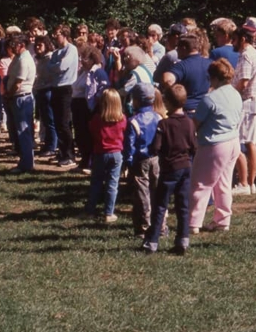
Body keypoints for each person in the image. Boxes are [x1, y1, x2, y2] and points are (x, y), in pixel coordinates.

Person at [189, 59, 242, 232]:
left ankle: (193, 223)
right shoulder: (235, 93)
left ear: (214, 78)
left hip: (214, 145)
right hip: (233, 142)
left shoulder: (209, 99)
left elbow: (194, 124)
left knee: (201, 184)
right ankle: (222, 221)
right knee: (224, 184)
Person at [143, 84, 197, 254]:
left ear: (167, 103)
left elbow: (156, 147)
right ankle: (183, 240)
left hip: (169, 169)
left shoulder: (163, 124)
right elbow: (194, 147)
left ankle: (152, 241)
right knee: (183, 206)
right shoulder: (189, 123)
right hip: (186, 167)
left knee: (160, 205)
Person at [124, 83, 161, 238]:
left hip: (140, 161)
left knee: (141, 194)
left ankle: (143, 227)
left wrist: (128, 162)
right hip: (156, 159)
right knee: (157, 192)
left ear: (136, 101)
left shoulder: (134, 121)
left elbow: (129, 145)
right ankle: (160, 224)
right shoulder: (158, 117)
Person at [84, 88, 127, 222]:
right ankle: (109, 212)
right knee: (112, 183)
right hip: (116, 154)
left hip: (100, 153)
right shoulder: (122, 119)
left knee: (96, 182)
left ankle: (90, 210)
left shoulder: (97, 119)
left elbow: (91, 131)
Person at [231, 25, 256, 195]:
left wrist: (228, 93)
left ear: (243, 39)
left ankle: (244, 182)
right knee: (252, 143)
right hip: (254, 102)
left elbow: (243, 82)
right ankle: (250, 182)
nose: (233, 43)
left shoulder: (246, 55)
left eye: (235, 39)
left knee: (236, 141)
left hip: (246, 103)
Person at [72, 45, 110, 173]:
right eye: (81, 58)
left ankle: (91, 163)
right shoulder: (82, 71)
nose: (82, 61)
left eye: (85, 58)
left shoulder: (98, 72)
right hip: (77, 104)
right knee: (80, 135)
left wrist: (97, 101)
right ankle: (83, 161)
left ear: (93, 59)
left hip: (89, 107)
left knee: (89, 135)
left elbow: (104, 88)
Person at [4, 34, 36, 174]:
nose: (12, 47)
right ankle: (26, 161)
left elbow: (18, 83)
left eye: (14, 45)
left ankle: (26, 163)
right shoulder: (18, 58)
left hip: (21, 97)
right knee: (21, 130)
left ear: (22, 45)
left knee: (23, 131)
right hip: (18, 97)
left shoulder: (24, 60)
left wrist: (9, 94)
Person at [49, 24, 79, 168]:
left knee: (64, 123)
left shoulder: (71, 49)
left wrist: (55, 66)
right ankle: (62, 152)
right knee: (57, 123)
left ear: (65, 35)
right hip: (55, 88)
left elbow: (62, 67)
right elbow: (49, 68)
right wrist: (55, 66)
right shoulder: (56, 52)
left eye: (57, 34)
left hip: (66, 88)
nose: (55, 36)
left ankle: (69, 155)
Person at [162, 33, 211, 116]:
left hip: (186, 114)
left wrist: (174, 95)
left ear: (184, 48)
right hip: (205, 113)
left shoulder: (181, 66)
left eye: (178, 47)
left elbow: (167, 80)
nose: (176, 50)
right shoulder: (210, 63)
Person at [33, 35, 58, 158]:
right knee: (45, 120)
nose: (37, 47)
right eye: (36, 45)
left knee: (50, 120)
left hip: (47, 90)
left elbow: (50, 76)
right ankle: (48, 144)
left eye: (40, 45)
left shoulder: (50, 58)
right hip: (40, 90)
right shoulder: (41, 59)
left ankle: (52, 146)